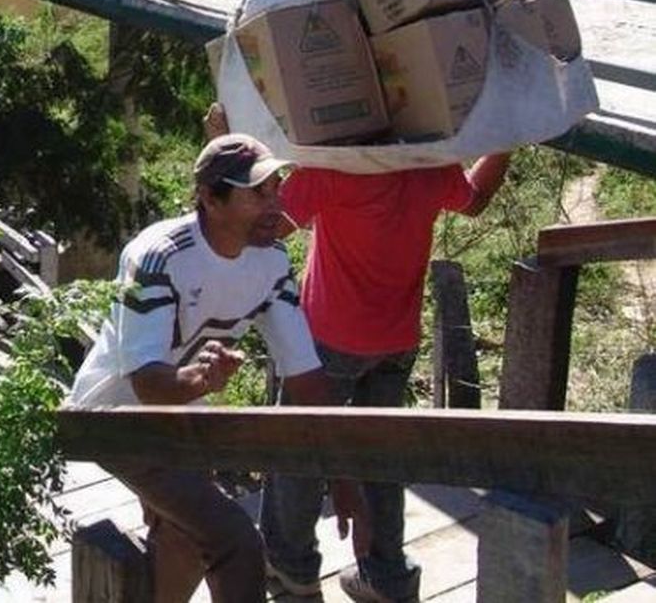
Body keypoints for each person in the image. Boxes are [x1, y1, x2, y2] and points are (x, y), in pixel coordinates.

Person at [201, 108, 511, 602]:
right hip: (396, 341)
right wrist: (507, 138)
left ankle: (291, 567)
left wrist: (225, 149)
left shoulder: (332, 171)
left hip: (328, 340)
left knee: (300, 448)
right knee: (378, 454)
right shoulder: (429, 164)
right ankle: (386, 575)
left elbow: (261, 227)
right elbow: (474, 201)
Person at [69, 133, 367, 603]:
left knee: (186, 538)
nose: (276, 204)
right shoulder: (159, 257)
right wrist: (199, 379)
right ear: (210, 198)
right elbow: (146, 384)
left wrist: (346, 480)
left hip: (181, 416)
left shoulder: (271, 262)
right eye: (258, 193)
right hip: (112, 418)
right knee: (236, 539)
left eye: (277, 188)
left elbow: (307, 379)